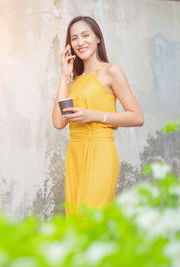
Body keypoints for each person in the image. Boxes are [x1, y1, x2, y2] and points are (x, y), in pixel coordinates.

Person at [51, 16, 144, 216]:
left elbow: (137, 117)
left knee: (90, 220)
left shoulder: (110, 71)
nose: (80, 42)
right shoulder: (73, 83)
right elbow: (59, 122)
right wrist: (63, 76)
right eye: (74, 38)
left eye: (85, 35)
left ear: (97, 38)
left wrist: (93, 115)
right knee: (75, 222)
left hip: (100, 151)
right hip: (74, 153)